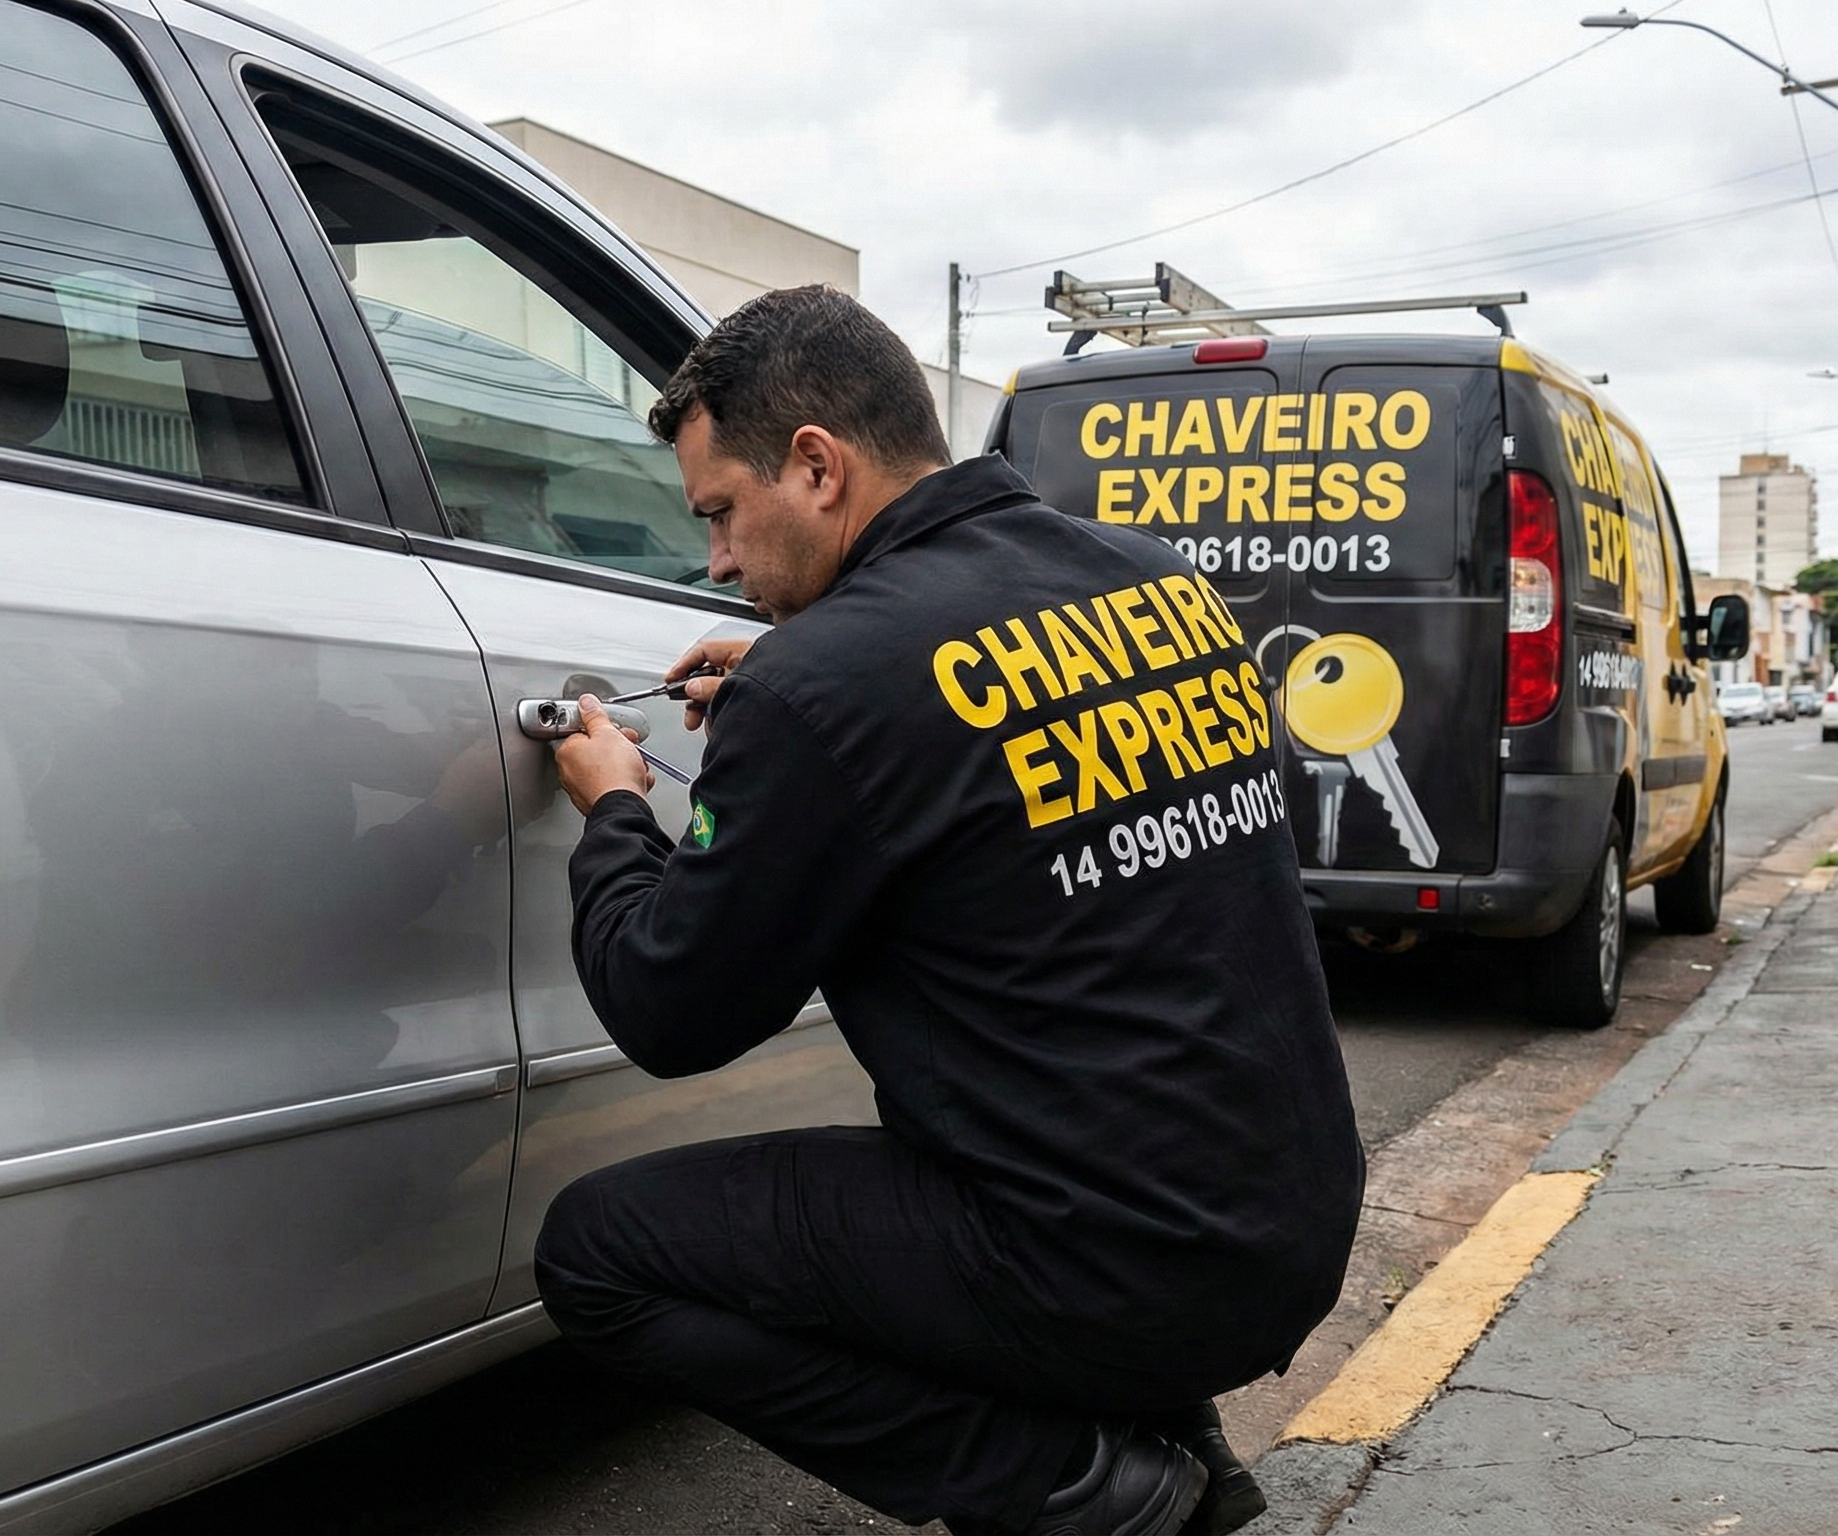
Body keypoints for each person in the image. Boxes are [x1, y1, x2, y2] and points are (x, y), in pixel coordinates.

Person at [536, 285, 1362, 1536]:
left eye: (719, 512)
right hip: (1284, 1228)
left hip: (1107, 1270)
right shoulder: (1159, 583)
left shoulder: (830, 685)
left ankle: (1073, 1485)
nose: (714, 561)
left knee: (596, 1250)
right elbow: (991, 721)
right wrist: (811, 688)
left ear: (815, 466)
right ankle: (1159, 1425)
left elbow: (669, 1007)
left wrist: (612, 813)